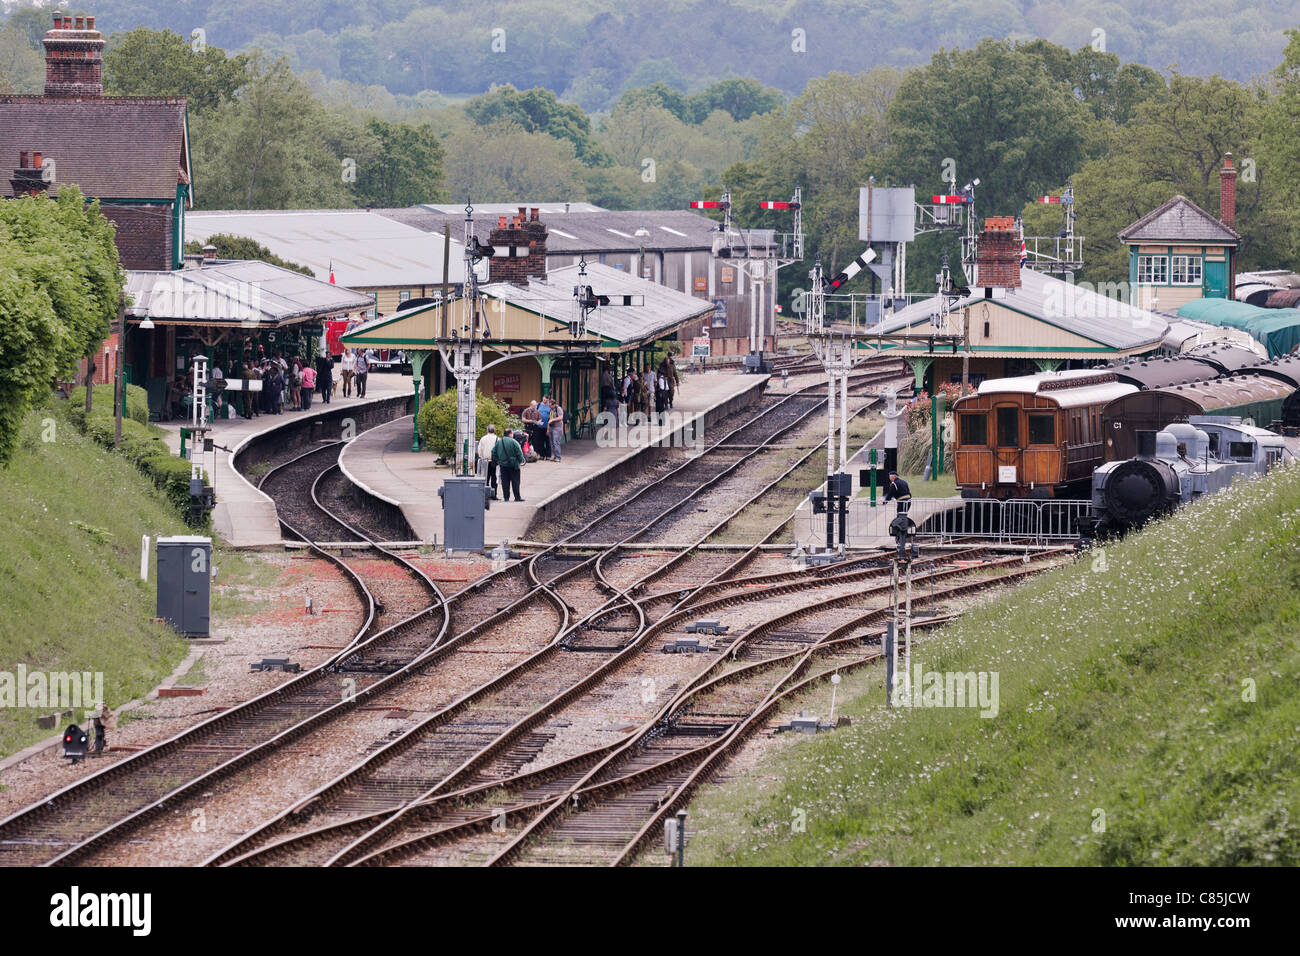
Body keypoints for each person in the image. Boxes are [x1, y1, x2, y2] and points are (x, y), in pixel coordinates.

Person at [492, 428, 525, 502]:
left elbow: (493, 452)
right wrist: (519, 461)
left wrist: (497, 460)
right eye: (512, 433)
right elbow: (519, 453)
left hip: (503, 465)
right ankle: (517, 497)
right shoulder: (514, 442)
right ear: (510, 434)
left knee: (505, 482)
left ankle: (506, 497)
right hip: (514, 465)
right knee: (515, 482)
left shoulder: (499, 442)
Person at [478, 424, 499, 496]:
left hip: (485, 461)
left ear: (487, 430)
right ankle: (494, 494)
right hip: (494, 461)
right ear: (494, 430)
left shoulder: (483, 438)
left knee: (486, 477)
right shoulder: (497, 438)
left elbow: (479, 450)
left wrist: (481, 457)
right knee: (494, 477)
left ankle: (485, 494)